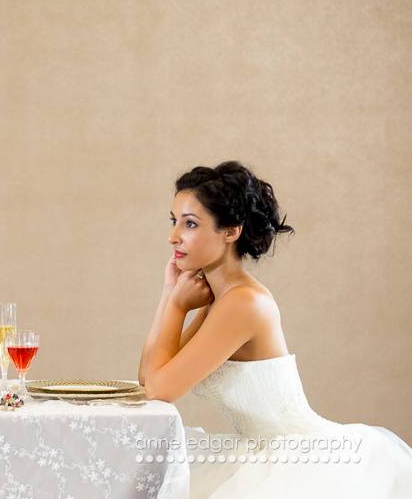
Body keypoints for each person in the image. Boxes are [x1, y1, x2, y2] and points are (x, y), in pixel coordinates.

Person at [137, 160, 412, 498]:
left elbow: (159, 389)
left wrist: (178, 306)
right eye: (174, 221)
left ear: (231, 231)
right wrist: (169, 294)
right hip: (255, 456)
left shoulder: (243, 304)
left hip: (298, 463)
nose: (173, 236)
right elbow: (148, 380)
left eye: (190, 223)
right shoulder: (219, 300)